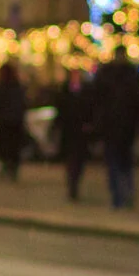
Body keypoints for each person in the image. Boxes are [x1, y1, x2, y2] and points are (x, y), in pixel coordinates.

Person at [94, 52, 139, 209]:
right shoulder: (129, 76)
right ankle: (124, 194)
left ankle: (119, 196)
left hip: (115, 127)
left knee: (116, 162)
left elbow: (98, 102)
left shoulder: (108, 75)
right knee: (123, 162)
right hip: (123, 127)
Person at [52, 65, 94, 203]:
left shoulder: (85, 92)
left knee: (78, 161)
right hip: (69, 132)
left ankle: (74, 184)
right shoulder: (65, 91)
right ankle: (72, 185)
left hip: (80, 132)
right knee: (71, 161)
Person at [0, 61, 28, 184]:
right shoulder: (17, 87)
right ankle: (12, 168)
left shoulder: (1, 87)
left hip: (6, 122)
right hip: (14, 122)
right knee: (13, 147)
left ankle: (7, 166)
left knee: (5, 146)